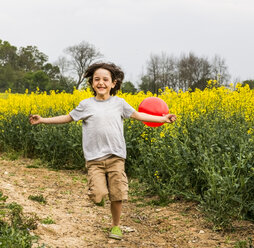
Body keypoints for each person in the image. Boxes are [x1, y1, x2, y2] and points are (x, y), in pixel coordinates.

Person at [29, 62, 176, 240]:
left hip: (116, 157)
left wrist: (163, 118)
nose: (101, 83)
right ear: (92, 83)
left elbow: (139, 116)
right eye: (97, 79)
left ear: (113, 83)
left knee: (118, 193)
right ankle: (97, 192)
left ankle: (116, 226)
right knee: (98, 195)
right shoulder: (86, 105)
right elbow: (68, 118)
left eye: (105, 79)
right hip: (94, 159)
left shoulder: (119, 103)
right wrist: (43, 120)